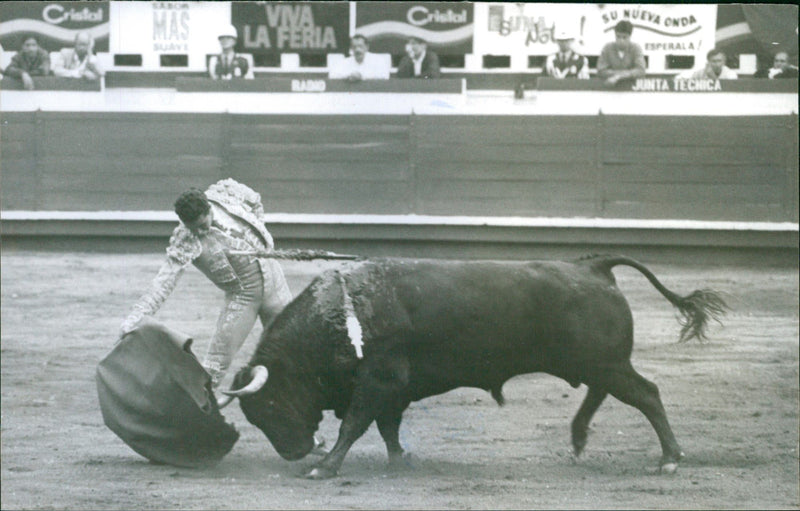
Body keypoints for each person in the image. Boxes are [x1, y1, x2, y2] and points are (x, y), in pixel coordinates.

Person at [119, 178, 292, 389]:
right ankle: (194, 416)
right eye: (194, 229)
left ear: (209, 209)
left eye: (202, 225)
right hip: (243, 296)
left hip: (274, 279)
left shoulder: (227, 194)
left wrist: (261, 235)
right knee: (214, 368)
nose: (200, 233)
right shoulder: (186, 239)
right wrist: (134, 319)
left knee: (292, 346)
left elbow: (255, 200)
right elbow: (163, 283)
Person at [596, 20, 646, 87]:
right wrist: (627, 74)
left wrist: (618, 77)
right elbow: (601, 71)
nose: (621, 41)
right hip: (611, 89)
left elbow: (641, 71)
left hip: (631, 90)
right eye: (618, 36)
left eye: (624, 37)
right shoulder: (607, 48)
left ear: (630, 37)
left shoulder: (636, 48)